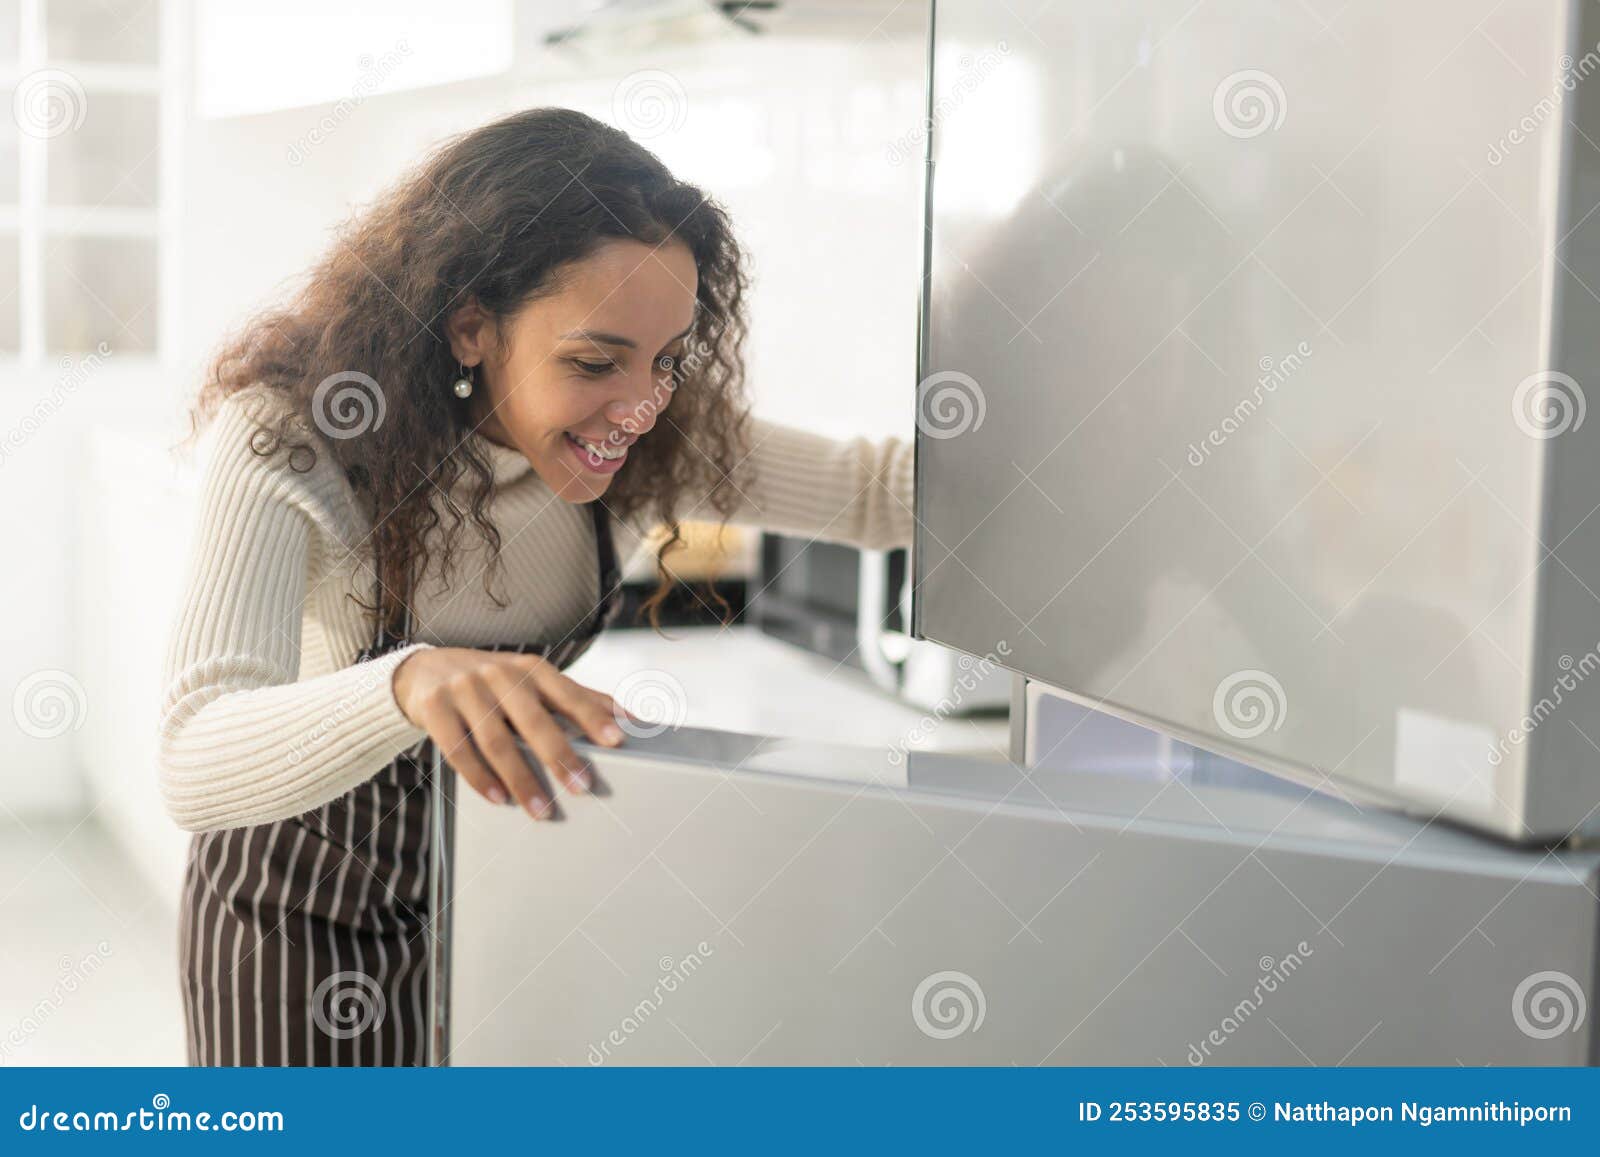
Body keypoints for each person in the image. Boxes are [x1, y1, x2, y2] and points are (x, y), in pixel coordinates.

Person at [158, 107, 915, 1066]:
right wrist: (409, 682)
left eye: (667, 362)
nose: (639, 409)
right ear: (471, 325)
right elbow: (194, 754)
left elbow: (882, 492)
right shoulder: (294, 437)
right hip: (292, 927)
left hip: (504, 916)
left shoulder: (654, 440)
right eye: (595, 362)